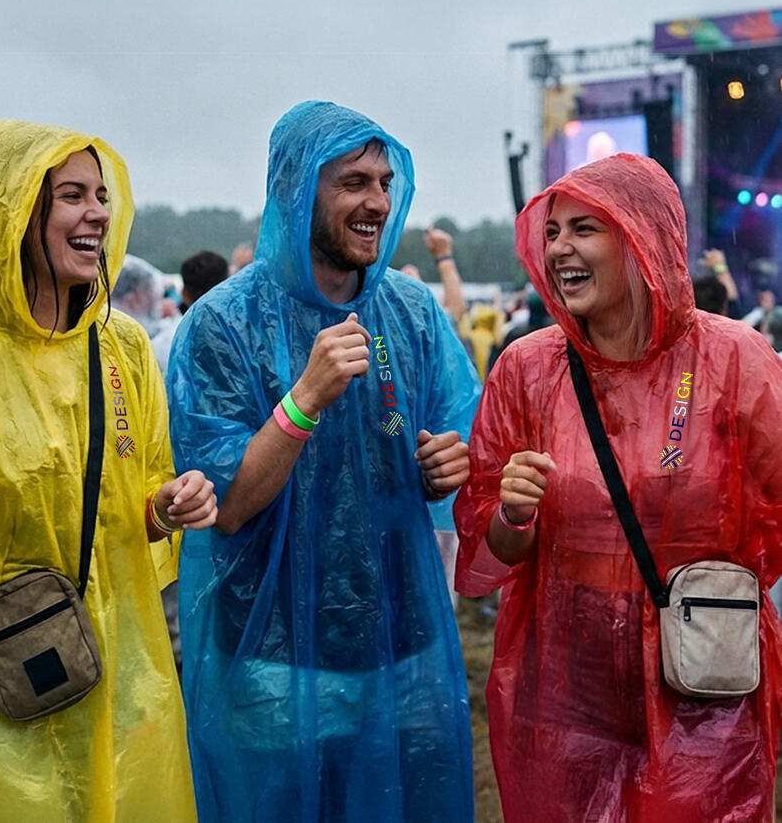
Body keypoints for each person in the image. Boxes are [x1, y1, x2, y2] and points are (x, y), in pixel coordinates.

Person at [0, 119, 217, 821]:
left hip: (110, 678)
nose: (98, 213)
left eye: (102, 195)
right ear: (8, 210)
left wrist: (168, 507)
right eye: (71, 195)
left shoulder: (121, 347)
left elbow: (134, 509)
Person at [167, 100, 479, 823]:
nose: (378, 202)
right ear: (296, 190)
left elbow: (456, 436)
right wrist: (305, 398)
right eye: (353, 183)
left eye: (385, 183)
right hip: (274, 660)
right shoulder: (222, 325)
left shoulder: (411, 311)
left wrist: (447, 463)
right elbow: (228, 506)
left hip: (403, 647)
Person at [455, 152, 782, 822]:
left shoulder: (734, 360)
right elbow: (490, 551)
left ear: (643, 238)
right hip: (568, 683)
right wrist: (513, 514)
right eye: (551, 232)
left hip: (701, 679)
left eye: (584, 229)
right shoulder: (527, 371)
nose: (559, 249)